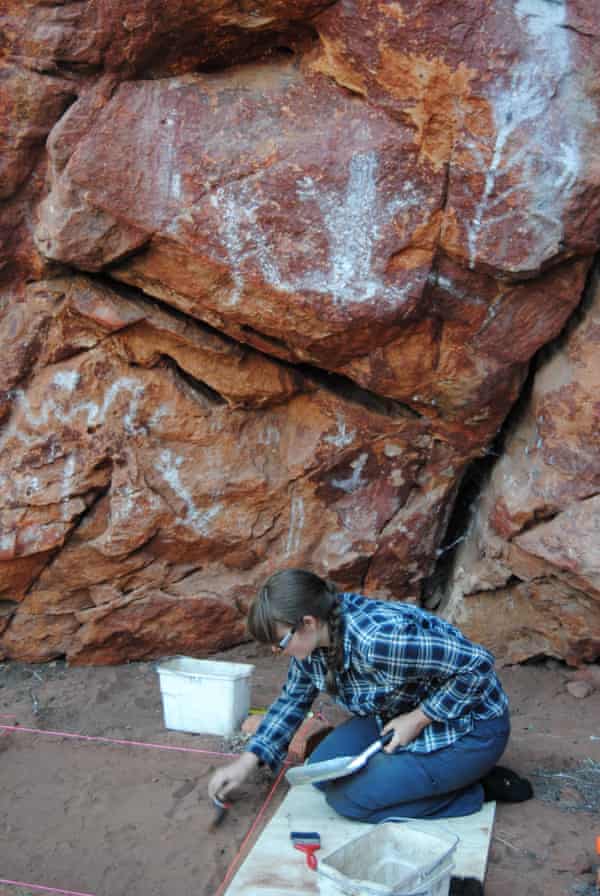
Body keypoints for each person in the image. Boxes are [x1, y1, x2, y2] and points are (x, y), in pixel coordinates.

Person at [208, 568, 531, 821]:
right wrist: (247, 763)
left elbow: (478, 666)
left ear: (307, 622)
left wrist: (418, 720)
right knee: (320, 773)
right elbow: (292, 700)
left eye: (280, 642)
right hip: (398, 712)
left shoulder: (378, 640)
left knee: (350, 801)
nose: (278, 652)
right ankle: (422, 776)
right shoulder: (317, 638)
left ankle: (474, 790)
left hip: (469, 727)